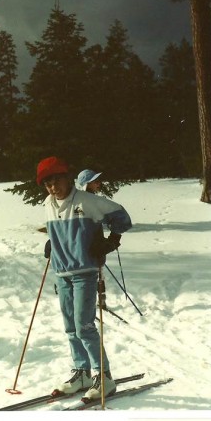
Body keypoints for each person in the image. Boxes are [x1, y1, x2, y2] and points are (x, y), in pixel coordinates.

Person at [37, 156, 132, 400]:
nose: (53, 187)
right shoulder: (48, 203)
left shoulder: (87, 201)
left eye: (56, 180)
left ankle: (104, 378)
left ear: (68, 178)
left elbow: (122, 218)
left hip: (85, 272)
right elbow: (61, 228)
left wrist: (112, 241)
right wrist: (53, 241)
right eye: (48, 183)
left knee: (84, 326)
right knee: (70, 327)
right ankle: (82, 372)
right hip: (62, 273)